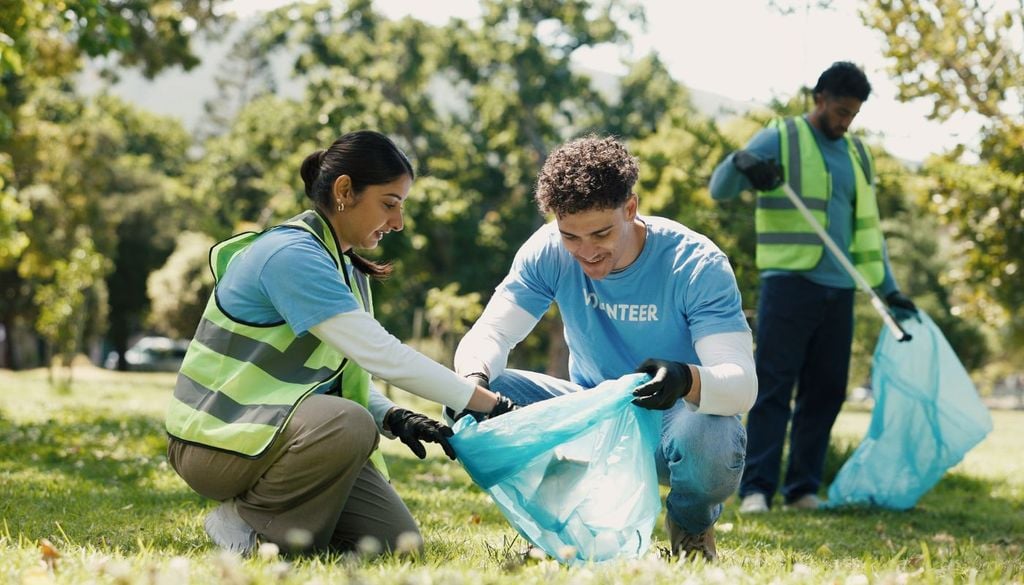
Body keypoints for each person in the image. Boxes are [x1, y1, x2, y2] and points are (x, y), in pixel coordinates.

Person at [165, 130, 516, 557]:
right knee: (348, 423)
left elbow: (340, 373)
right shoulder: (291, 255)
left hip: (268, 434)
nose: (398, 223)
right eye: (389, 204)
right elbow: (383, 355)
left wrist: (395, 416)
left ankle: (284, 532)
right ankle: (243, 523)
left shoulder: (343, 266)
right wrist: (488, 403)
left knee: (396, 547)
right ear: (345, 191)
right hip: (217, 442)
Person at [453, 135, 757, 561]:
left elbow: (742, 384)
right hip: (589, 415)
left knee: (716, 432)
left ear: (630, 209)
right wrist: (473, 381)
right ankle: (559, 525)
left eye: (601, 233)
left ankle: (689, 527)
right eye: (571, 237)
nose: (587, 252)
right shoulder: (547, 251)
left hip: (673, 426)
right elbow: (492, 335)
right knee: (465, 394)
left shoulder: (696, 264)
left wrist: (687, 377)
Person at [709, 61, 918, 514]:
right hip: (789, 284)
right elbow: (719, 189)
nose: (845, 122)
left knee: (826, 390)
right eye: (840, 111)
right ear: (819, 98)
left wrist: (891, 289)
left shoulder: (858, 155)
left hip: (840, 288)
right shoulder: (780, 138)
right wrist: (740, 161)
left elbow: (869, 231)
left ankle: (802, 488)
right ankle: (757, 489)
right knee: (774, 387)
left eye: (853, 115)